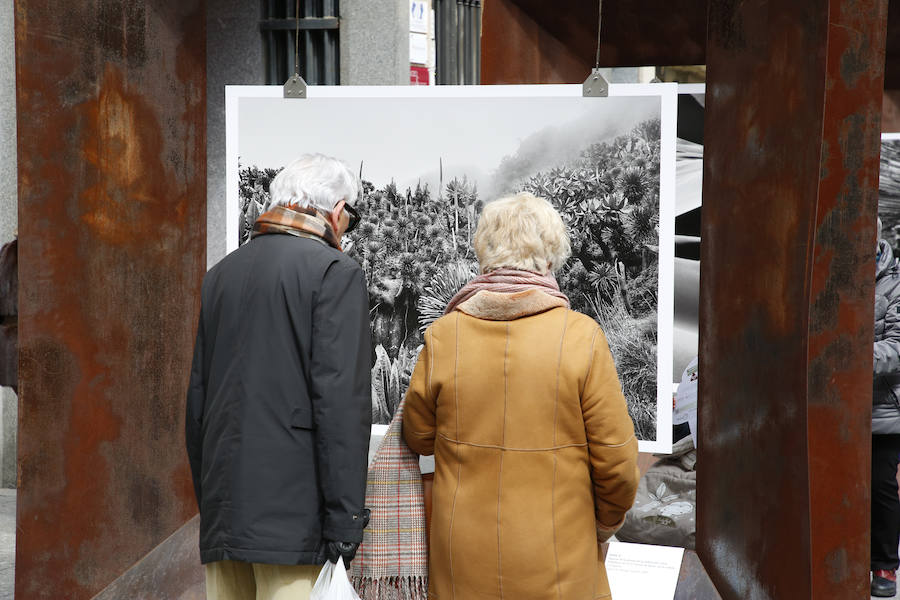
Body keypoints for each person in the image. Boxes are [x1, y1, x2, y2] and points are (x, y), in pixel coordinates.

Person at [402, 192, 640, 600]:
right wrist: (603, 528)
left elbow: (419, 435)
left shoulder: (444, 336)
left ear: (486, 255)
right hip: (559, 562)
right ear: (549, 257)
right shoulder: (581, 337)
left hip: (462, 562)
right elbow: (617, 465)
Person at [185, 154, 372, 600]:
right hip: (293, 526)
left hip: (224, 516)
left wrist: (213, 506)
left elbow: (198, 404)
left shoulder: (221, 275)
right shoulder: (334, 272)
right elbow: (340, 406)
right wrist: (345, 522)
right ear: (338, 210)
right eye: (353, 218)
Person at [872, 217, 900, 597]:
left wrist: (845, 356)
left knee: (880, 484)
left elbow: (897, 345)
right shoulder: (833, 270)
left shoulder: (895, 283)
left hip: (882, 409)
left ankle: (884, 566)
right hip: (830, 406)